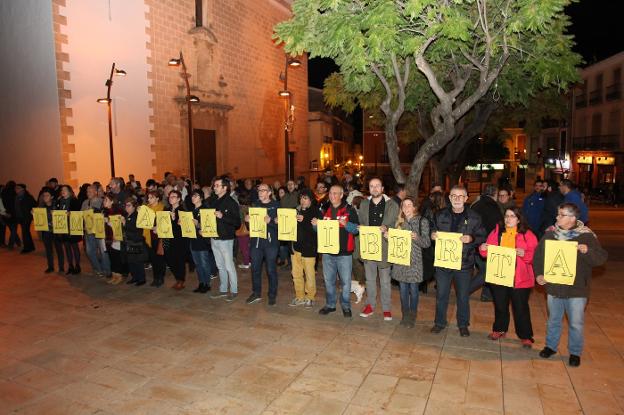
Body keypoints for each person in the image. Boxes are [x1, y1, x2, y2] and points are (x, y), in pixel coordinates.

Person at [534, 202, 607, 367]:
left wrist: (587, 250)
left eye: (561, 215)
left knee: (575, 322)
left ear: (572, 218)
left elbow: (601, 258)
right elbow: (539, 257)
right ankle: (550, 346)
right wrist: (539, 274)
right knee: (553, 319)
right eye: (558, 214)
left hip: (577, 289)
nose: (557, 217)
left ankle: (574, 352)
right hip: (554, 286)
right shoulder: (551, 234)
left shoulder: (586, 236)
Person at [430, 185, 486, 337]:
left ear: (466, 198)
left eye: (461, 196)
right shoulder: (440, 215)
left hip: (464, 263)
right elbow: (431, 229)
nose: (457, 199)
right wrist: (432, 235)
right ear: (449, 198)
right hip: (443, 263)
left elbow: (482, 237)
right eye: (454, 196)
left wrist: (472, 238)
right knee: (442, 294)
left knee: (462, 296)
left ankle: (463, 324)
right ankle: (439, 323)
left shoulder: (475, 217)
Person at [479, 207, 538, 347]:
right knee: (500, 305)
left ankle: (525, 335)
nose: (508, 219)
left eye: (512, 216)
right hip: (500, 276)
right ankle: (499, 329)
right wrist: (482, 249)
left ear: (518, 219)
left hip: (519, 278)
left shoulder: (528, 235)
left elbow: (536, 257)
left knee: (520, 308)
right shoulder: (497, 232)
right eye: (506, 216)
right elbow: (487, 253)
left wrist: (525, 254)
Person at [357, 178, 400, 321]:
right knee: (369, 280)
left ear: (382, 188)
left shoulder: (392, 205)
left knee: (385, 281)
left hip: (385, 247)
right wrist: (360, 228)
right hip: (369, 246)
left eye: (377, 186)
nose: (374, 188)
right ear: (368, 188)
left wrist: (386, 227)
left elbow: (393, 223)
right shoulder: (363, 204)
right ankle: (370, 305)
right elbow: (362, 222)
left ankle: (386, 308)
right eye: (371, 186)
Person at [315, 184, 360, 318]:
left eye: (336, 193)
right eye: (330, 193)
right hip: (327, 252)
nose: (332, 196)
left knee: (345, 282)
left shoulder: (349, 210)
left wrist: (347, 224)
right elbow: (318, 231)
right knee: (329, 280)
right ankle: (330, 305)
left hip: (344, 253)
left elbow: (356, 229)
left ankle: (346, 306)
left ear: (341, 195)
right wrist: (315, 225)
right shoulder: (324, 210)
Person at [389, 197, 431, 328]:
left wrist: (417, 237)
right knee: (402, 291)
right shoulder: (399, 223)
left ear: (414, 207)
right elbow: (395, 244)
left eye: (409, 205)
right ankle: (405, 314)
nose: (406, 208)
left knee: (413, 290)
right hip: (400, 262)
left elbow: (427, 243)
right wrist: (388, 237)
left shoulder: (422, 221)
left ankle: (412, 315)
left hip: (415, 263)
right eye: (404, 205)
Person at [245, 183, 280, 305]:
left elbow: (281, 227)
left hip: (271, 243)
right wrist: (247, 221)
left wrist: (270, 221)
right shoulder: (255, 204)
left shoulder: (276, 206)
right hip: (256, 242)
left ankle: (272, 294)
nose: (260, 192)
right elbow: (251, 226)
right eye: (259, 190)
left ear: (269, 192)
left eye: (263, 190)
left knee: (270, 270)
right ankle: (256, 293)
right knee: (255, 269)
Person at [209, 176, 241, 301]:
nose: (214, 187)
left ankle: (233, 290)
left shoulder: (231, 202)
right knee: (220, 266)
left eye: (217, 185)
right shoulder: (214, 201)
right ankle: (223, 289)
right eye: (214, 185)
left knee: (229, 266)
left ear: (224, 188)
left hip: (226, 239)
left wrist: (223, 216)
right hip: (214, 237)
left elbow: (237, 222)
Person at [469, 184, 504, 302]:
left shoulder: (476, 204)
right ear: (495, 194)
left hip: (473, 242)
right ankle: (466, 291)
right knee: (487, 271)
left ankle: (487, 294)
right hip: (486, 244)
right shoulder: (493, 207)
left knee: (487, 270)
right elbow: (498, 227)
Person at [289, 188, 322, 307]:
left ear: (311, 200)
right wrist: (280, 221)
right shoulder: (295, 210)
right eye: (301, 198)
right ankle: (299, 296)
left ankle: (310, 296)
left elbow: (317, 231)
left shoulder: (316, 211)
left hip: (309, 248)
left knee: (309, 274)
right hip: (295, 247)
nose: (302, 201)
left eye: (305, 198)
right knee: (296, 274)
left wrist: (305, 221)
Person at [419, 191, 446, 293]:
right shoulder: (441, 211)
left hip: (430, 239)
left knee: (429, 264)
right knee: (435, 264)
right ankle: (438, 284)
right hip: (436, 240)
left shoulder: (430, 209)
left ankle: (425, 285)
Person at [189, 190, 214, 293]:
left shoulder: (205, 209)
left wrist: (198, 224)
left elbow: (210, 225)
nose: (193, 197)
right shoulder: (191, 210)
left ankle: (207, 284)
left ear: (201, 198)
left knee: (204, 263)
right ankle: (201, 283)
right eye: (192, 196)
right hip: (193, 240)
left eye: (195, 196)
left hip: (203, 241)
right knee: (198, 264)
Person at [81, 185, 109, 277]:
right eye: (87, 191)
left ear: (96, 192)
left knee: (103, 251)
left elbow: (105, 214)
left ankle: (106, 270)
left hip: (99, 230)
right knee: (89, 251)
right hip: (88, 231)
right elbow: (81, 215)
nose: (88, 193)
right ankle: (98, 269)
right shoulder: (85, 202)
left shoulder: (102, 201)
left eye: (90, 191)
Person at [163, 190, 189, 290]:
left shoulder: (182, 211)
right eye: (170, 196)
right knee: (169, 260)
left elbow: (185, 228)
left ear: (179, 199)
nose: (171, 198)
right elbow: (163, 224)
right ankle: (177, 278)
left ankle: (180, 280)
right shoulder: (166, 210)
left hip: (179, 240)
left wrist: (175, 220)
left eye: (173, 196)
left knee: (179, 260)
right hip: (168, 239)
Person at [55, 185, 82, 275]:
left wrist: (71, 214)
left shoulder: (74, 201)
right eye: (62, 190)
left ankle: (77, 266)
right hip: (63, 227)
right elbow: (57, 211)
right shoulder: (59, 201)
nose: (63, 191)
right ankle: (70, 266)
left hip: (73, 227)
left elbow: (78, 212)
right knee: (67, 247)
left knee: (74, 247)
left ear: (70, 191)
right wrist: (54, 212)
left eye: (65, 190)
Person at [121, 198, 148, 286]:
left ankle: (141, 279)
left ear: (134, 206)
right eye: (125, 205)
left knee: (138, 261)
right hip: (128, 241)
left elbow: (136, 230)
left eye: (129, 205)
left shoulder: (136, 216)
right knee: (130, 261)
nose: (126, 207)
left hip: (136, 241)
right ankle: (134, 277)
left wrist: (125, 224)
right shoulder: (126, 215)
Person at [143, 190, 167, 287]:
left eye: (151, 197)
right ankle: (155, 278)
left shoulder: (163, 208)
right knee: (153, 259)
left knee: (160, 259)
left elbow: (165, 223)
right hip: (149, 236)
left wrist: (157, 227)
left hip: (159, 237)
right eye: (148, 197)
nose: (149, 199)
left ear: (157, 198)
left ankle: (160, 278)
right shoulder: (146, 208)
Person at [39, 188, 64, 273]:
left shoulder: (57, 206)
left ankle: (61, 267)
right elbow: (39, 220)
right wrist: (34, 214)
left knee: (59, 250)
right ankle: (50, 267)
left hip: (56, 231)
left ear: (52, 197)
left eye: (47, 195)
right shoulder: (41, 207)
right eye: (44, 195)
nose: (45, 197)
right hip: (46, 232)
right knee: (48, 250)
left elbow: (61, 217)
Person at [103, 193, 125, 285]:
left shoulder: (117, 211)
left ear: (112, 201)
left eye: (106, 200)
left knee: (116, 256)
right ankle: (114, 275)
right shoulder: (106, 211)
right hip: (108, 237)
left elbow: (119, 224)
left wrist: (108, 221)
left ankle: (119, 276)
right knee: (111, 256)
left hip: (116, 237)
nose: (104, 202)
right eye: (104, 200)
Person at [14, 183, 37, 254]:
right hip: (20, 217)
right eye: (16, 188)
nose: (16, 189)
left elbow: (35, 205)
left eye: (18, 188)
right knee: (26, 232)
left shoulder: (28, 197)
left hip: (26, 217)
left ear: (22, 189)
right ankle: (31, 246)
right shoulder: (17, 197)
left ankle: (27, 248)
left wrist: (31, 212)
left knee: (25, 232)